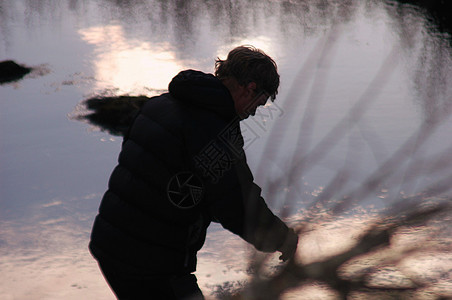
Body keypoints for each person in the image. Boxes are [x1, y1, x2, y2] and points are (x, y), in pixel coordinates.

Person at [89, 45, 299, 299]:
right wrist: (282, 239)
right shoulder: (216, 133)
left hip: (110, 244)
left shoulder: (161, 104)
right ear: (250, 87)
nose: (254, 112)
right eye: (259, 103)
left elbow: (169, 177)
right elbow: (238, 205)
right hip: (151, 262)